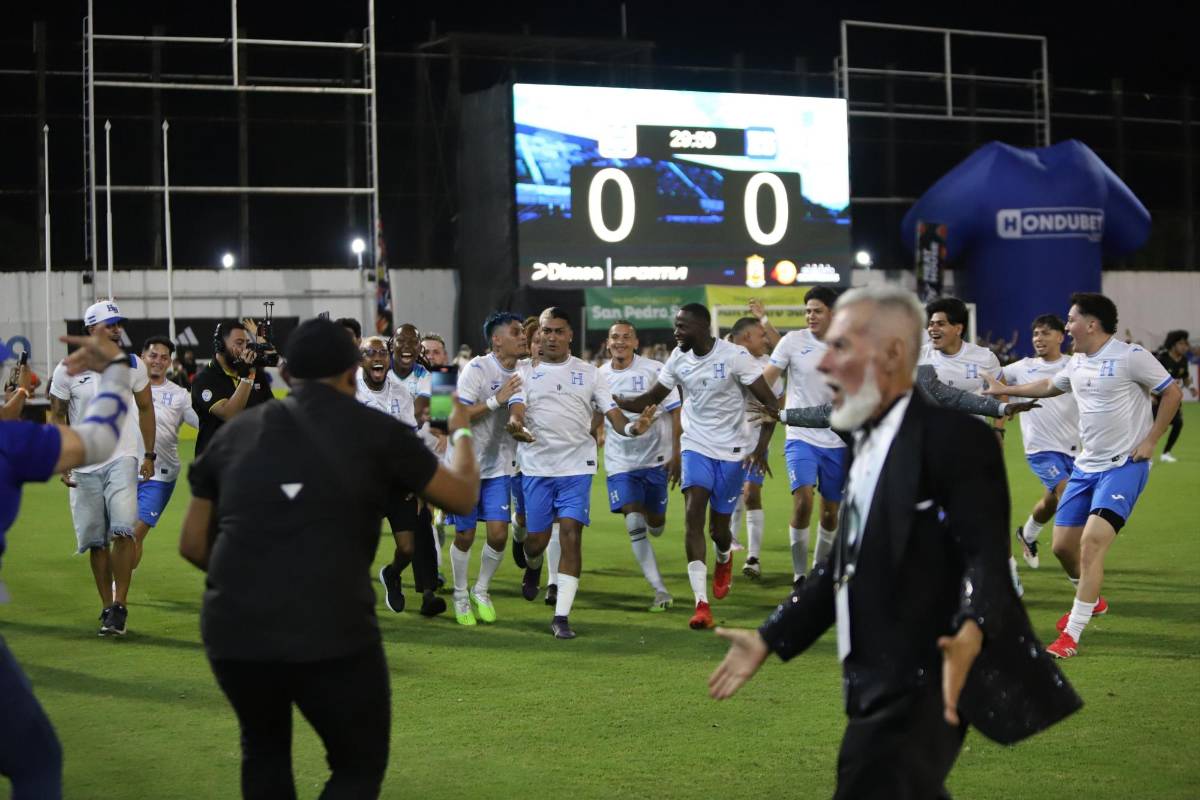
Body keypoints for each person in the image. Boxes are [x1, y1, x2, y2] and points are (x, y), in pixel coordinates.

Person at [709, 284, 1082, 798]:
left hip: (927, 674)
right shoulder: (866, 436)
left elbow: (986, 556)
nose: (823, 365)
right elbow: (846, 558)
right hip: (871, 674)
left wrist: (972, 629)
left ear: (893, 354)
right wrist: (771, 636)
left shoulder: (953, 439)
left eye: (841, 347)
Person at [179, 317, 480, 799]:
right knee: (358, 766)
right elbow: (462, 497)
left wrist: (257, 584)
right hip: (330, 624)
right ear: (351, 372)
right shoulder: (376, 431)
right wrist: (460, 430)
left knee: (264, 751)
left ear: (289, 375)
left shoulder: (237, 434)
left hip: (234, 626)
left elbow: (193, 543)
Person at [985, 292, 1182, 658]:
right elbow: (1048, 386)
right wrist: (1006, 390)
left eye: (1071, 319)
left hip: (1124, 465)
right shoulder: (1077, 362)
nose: (1067, 325)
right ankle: (1091, 599)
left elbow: (1171, 392)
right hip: (1085, 467)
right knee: (1062, 547)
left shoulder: (1130, 356)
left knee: (1091, 543)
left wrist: (1152, 440)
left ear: (1091, 324)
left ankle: (1070, 636)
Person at [2, 325, 138, 799]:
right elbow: (96, 439)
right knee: (37, 760)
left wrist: (18, 392)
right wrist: (117, 369)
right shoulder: (9, 445)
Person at [616, 303, 780, 630]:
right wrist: (615, 399)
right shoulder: (678, 358)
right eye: (675, 326)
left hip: (733, 450)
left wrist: (761, 449)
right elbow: (651, 397)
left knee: (719, 531)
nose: (676, 333)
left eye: (682, 327)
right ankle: (701, 604)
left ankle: (724, 556)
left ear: (703, 329)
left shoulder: (734, 356)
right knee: (693, 512)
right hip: (696, 445)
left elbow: (770, 403)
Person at [506, 308, 656, 639]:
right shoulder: (523, 372)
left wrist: (633, 429)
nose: (552, 337)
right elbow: (516, 409)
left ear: (570, 335)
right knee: (536, 542)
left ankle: (562, 616)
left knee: (571, 533)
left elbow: (613, 414)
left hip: (577, 467)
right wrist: (516, 426)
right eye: (547, 331)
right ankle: (532, 567)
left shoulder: (589, 373)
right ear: (540, 334)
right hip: (537, 467)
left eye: (559, 331)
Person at [50, 301, 156, 636]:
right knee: (96, 541)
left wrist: (149, 454)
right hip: (83, 462)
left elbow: (145, 407)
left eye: (118, 323)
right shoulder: (66, 369)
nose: (116, 329)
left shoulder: (133, 364)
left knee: (124, 531)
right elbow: (56, 413)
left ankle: (121, 604)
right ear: (91, 327)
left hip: (123, 458)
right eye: (110, 324)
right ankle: (107, 608)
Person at [922, 296, 1025, 595]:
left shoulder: (984, 358)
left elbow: (1001, 393)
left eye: (940, 323)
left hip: (975, 451)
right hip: (932, 451)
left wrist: (998, 431)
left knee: (989, 514)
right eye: (930, 324)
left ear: (958, 327)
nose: (933, 329)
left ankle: (1008, 572)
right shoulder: (920, 357)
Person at [758, 286, 846, 583]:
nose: (810, 315)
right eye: (807, 310)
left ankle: (820, 575)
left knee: (831, 513)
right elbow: (767, 379)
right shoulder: (792, 342)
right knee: (803, 500)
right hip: (800, 435)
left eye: (817, 310)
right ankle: (799, 575)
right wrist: (745, 399)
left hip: (839, 439)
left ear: (833, 313)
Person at [445, 312, 526, 626]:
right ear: (497, 339)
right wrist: (496, 401)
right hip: (466, 466)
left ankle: (481, 590)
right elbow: (459, 415)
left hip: (497, 466)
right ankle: (460, 593)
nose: (523, 336)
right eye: (516, 332)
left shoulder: (520, 371)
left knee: (498, 535)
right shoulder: (475, 369)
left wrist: (518, 422)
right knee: (464, 535)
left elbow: (518, 404)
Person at [358, 336, 446, 618]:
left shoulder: (442, 378)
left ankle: (429, 590)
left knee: (421, 531)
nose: (428, 354)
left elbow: (442, 427)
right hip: (374, 480)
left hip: (426, 461)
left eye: (435, 351)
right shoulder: (359, 387)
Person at [597, 320, 681, 612]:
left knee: (655, 524)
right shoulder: (599, 376)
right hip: (621, 461)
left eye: (625, 337)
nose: (620, 342)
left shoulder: (655, 370)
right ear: (608, 344)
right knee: (634, 521)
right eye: (614, 337)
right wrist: (595, 431)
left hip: (656, 458)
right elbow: (597, 410)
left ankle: (654, 519)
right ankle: (659, 590)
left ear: (635, 342)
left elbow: (675, 411)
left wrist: (677, 453)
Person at [999, 315, 1080, 570]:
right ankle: (1075, 558)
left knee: (1051, 501)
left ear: (1060, 336)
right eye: (1035, 334)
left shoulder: (1075, 365)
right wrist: (1002, 408)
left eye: (1045, 333)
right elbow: (995, 380)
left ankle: (1028, 534)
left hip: (1075, 448)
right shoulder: (1021, 367)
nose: (1038, 339)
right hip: (1041, 449)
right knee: (1068, 493)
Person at [132, 335, 199, 569]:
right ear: (142, 357)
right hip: (124, 472)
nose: (158, 361)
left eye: (164, 357)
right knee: (123, 537)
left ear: (170, 362)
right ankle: (120, 583)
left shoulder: (180, 396)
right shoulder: (124, 389)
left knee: (134, 536)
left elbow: (205, 422)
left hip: (159, 475)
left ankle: (116, 589)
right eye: (153, 356)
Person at [726, 316, 785, 568]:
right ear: (747, 337)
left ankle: (753, 558)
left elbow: (778, 403)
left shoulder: (768, 368)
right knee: (728, 498)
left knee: (751, 495)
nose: (766, 340)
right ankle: (726, 547)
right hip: (723, 444)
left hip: (755, 442)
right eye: (762, 335)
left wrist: (762, 446)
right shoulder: (723, 360)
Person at [191, 320, 273, 456]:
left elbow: (270, 411)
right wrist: (247, 377)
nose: (245, 349)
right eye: (239, 343)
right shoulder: (204, 379)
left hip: (249, 461)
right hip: (216, 465)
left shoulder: (254, 373)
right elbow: (230, 414)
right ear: (221, 345)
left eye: (247, 343)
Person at [1155, 329, 1192, 463]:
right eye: (1181, 344)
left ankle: (1166, 453)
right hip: (1156, 400)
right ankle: (1134, 452)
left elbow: (1185, 378)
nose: (1184, 347)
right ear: (1173, 344)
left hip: (1172, 400)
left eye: (1185, 344)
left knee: (1178, 423)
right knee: (1149, 428)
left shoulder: (1183, 360)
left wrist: (1190, 386)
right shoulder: (1162, 359)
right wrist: (1152, 395)